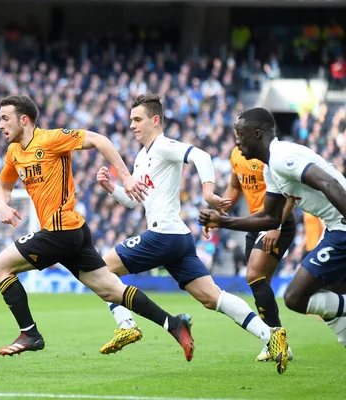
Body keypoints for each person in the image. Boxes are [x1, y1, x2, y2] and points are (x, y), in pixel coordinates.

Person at [95, 94, 290, 374]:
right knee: (213, 297)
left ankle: (126, 325)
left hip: (163, 235)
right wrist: (110, 186)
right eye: (130, 121)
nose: (132, 126)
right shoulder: (141, 157)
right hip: (177, 239)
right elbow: (134, 200)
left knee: (100, 270)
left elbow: (201, 155)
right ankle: (272, 336)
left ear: (155, 120)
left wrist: (208, 191)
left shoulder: (163, 146)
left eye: (137, 120)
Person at [0, 95, 194, 359]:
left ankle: (30, 333)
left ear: (24, 120)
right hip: (73, 234)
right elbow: (3, 185)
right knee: (111, 290)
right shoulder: (14, 153)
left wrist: (125, 176)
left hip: (59, 230)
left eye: (5, 118)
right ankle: (174, 324)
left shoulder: (51, 139)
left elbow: (100, 140)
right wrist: (2, 205)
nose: (0, 125)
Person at [199, 107, 346, 352]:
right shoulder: (270, 168)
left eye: (240, 134)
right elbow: (269, 218)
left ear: (257, 134)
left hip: (341, 227)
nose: (236, 140)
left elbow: (329, 183)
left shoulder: (283, 156)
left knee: (295, 297)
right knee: (328, 291)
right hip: (334, 228)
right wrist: (222, 222)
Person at [206, 146, 296, 362]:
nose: (238, 135)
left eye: (241, 130)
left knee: (253, 275)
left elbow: (290, 193)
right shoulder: (237, 154)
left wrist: (276, 226)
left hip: (276, 221)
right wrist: (218, 215)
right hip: (253, 222)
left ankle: (277, 341)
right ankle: (275, 342)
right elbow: (234, 186)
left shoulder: (269, 156)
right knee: (260, 282)